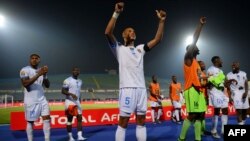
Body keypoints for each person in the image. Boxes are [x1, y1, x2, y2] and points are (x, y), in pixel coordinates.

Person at [104, 2, 166, 141]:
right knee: (123, 122)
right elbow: (107, 32)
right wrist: (116, 13)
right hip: (127, 89)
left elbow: (157, 40)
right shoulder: (119, 49)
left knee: (141, 121)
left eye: (133, 31)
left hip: (141, 90)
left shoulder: (140, 49)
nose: (133, 32)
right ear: (124, 35)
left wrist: (161, 22)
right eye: (129, 30)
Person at [178, 17, 207, 141]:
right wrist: (200, 25)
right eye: (194, 46)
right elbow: (194, 40)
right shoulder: (188, 58)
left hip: (199, 91)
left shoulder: (196, 62)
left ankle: (198, 138)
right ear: (189, 49)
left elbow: (200, 77)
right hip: (191, 90)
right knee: (192, 115)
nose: (196, 46)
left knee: (200, 115)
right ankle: (181, 138)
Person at [19, 53, 51, 141]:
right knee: (30, 122)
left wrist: (44, 75)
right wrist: (38, 74)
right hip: (31, 101)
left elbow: (47, 85)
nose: (34, 59)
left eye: (36, 58)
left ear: (39, 60)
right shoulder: (25, 70)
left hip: (42, 99)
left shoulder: (42, 71)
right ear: (30, 60)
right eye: (32, 58)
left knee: (47, 119)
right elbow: (25, 84)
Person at [61, 67, 87, 141]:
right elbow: (63, 91)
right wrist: (71, 94)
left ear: (79, 72)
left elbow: (78, 92)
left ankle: (80, 136)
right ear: (72, 71)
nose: (76, 71)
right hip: (70, 102)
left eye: (78, 70)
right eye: (75, 70)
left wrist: (80, 101)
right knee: (70, 119)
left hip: (77, 102)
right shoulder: (67, 80)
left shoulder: (80, 81)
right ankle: (70, 137)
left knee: (79, 118)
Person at [207, 56, 228, 138]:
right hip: (215, 92)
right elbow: (210, 80)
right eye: (220, 60)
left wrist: (227, 83)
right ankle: (214, 130)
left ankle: (223, 130)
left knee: (225, 110)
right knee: (217, 111)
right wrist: (218, 85)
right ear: (216, 61)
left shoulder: (221, 71)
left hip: (222, 93)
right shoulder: (210, 69)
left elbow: (224, 81)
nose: (222, 62)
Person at [198, 60, 211, 136]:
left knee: (203, 114)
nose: (204, 65)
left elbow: (206, 85)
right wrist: (209, 80)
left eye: (204, 63)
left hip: (205, 96)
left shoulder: (204, 74)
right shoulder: (200, 74)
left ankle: (203, 130)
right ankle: (200, 131)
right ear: (199, 66)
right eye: (201, 64)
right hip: (200, 96)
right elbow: (201, 84)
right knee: (200, 114)